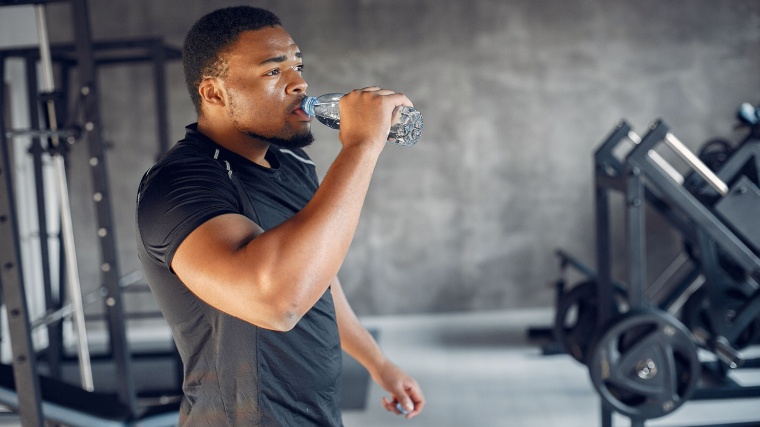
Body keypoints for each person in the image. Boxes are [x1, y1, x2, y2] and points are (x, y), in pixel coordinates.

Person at [135, 5, 425, 426]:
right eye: (273, 72)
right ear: (214, 93)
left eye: (298, 65)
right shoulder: (178, 186)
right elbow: (277, 302)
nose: (299, 83)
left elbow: (316, 276)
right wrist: (361, 147)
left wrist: (378, 364)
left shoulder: (292, 163)